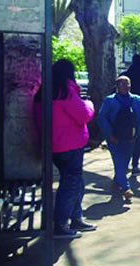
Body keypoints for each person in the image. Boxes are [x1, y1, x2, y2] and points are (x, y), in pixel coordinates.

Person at [34, 59, 96, 239]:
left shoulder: (44, 91)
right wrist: (90, 104)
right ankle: (61, 224)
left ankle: (77, 218)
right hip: (70, 145)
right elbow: (84, 114)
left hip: (52, 146)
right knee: (70, 183)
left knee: (75, 181)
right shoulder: (65, 91)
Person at [97, 76, 140, 200]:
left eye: (127, 84)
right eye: (122, 84)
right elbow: (102, 118)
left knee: (123, 164)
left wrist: (136, 135)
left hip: (130, 138)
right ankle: (126, 188)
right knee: (118, 161)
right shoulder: (109, 101)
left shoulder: (137, 100)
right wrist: (110, 134)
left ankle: (116, 182)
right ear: (117, 86)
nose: (125, 86)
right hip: (114, 138)